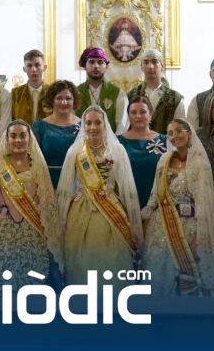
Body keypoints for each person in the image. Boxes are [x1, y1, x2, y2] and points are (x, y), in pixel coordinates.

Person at [0, 121, 64, 289]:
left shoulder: (37, 165)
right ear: (7, 139)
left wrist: (49, 232)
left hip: (32, 228)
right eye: (13, 136)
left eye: (22, 136)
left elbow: (47, 201)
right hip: (3, 226)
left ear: (29, 139)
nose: (18, 140)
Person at [57, 106, 143, 291]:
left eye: (97, 123)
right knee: (82, 264)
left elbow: (127, 188)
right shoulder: (75, 152)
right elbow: (65, 189)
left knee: (112, 262)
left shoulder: (117, 150)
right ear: (83, 125)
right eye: (88, 123)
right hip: (80, 212)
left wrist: (134, 224)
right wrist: (61, 224)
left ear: (105, 125)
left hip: (111, 210)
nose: (93, 127)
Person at [141, 118, 214, 296]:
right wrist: (146, 218)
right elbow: (155, 193)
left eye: (179, 131)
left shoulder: (199, 163)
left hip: (189, 227)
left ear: (189, 133)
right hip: (161, 226)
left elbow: (204, 203)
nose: (175, 136)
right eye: (170, 133)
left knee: (188, 277)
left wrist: (200, 237)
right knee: (160, 275)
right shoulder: (164, 159)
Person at [31, 80, 81, 186]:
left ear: (74, 101)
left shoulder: (84, 126)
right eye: (59, 98)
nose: (64, 102)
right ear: (51, 100)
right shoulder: (39, 127)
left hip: (76, 184)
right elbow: (32, 160)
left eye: (68, 98)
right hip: (47, 183)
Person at [119, 95, 167, 204]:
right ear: (128, 116)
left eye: (143, 112)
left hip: (158, 202)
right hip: (127, 202)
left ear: (150, 115)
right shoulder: (118, 142)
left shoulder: (165, 141)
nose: (138, 116)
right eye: (133, 112)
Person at [126, 48, 186, 135]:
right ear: (141, 67)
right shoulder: (131, 96)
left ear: (162, 67)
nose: (150, 66)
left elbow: (180, 130)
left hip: (167, 143)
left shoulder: (175, 98)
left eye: (154, 62)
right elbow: (126, 127)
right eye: (146, 62)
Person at [75, 47, 127, 133]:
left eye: (100, 62)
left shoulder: (118, 94)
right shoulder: (76, 93)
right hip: (82, 140)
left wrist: (112, 141)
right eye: (91, 62)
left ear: (106, 66)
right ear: (84, 66)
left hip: (110, 141)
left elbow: (122, 126)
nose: (96, 66)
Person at [10, 49, 51, 123]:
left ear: (44, 67)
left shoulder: (53, 92)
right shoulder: (15, 93)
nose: (34, 69)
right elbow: (11, 120)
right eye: (29, 65)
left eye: (37, 65)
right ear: (24, 69)